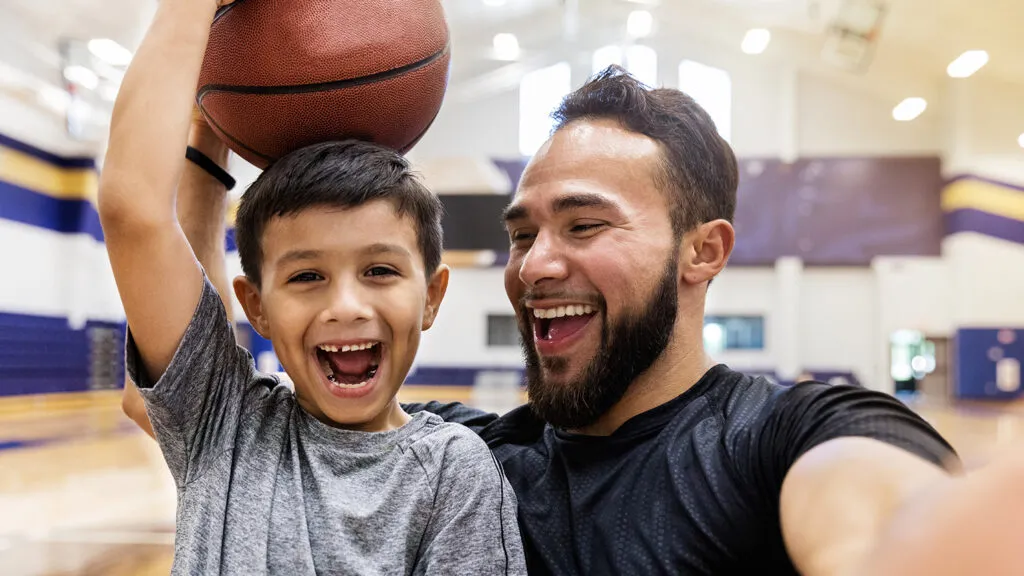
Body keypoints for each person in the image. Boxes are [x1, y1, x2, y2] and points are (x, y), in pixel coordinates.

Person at [122, 62, 1024, 574]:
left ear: (702, 252)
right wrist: (219, 124)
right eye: (524, 233)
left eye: (585, 224)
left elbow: (877, 522)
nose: (537, 262)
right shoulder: (468, 453)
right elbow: (187, 374)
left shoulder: (784, 436)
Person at [99, 0, 526, 574]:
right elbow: (134, 209)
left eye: (379, 271)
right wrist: (211, 119)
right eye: (306, 277)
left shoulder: (455, 472)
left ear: (432, 295)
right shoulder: (225, 423)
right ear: (257, 307)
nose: (346, 307)